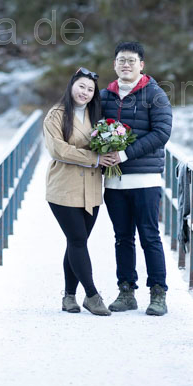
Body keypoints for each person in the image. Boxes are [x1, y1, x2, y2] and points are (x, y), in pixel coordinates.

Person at [100, 42, 172, 316]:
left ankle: (158, 294)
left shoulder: (155, 94)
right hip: (114, 183)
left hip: (145, 181)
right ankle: (126, 291)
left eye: (131, 60)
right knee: (122, 238)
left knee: (149, 237)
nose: (126, 65)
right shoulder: (105, 95)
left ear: (141, 65)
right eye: (121, 60)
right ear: (114, 64)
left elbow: (162, 133)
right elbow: (91, 128)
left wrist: (124, 154)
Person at [43, 67, 120, 316]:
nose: (85, 92)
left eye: (90, 89)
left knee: (77, 242)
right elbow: (58, 150)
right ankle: (92, 295)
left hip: (92, 189)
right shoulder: (56, 115)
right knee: (77, 240)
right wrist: (94, 158)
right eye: (81, 86)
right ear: (71, 86)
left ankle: (68, 297)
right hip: (64, 188)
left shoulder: (95, 115)